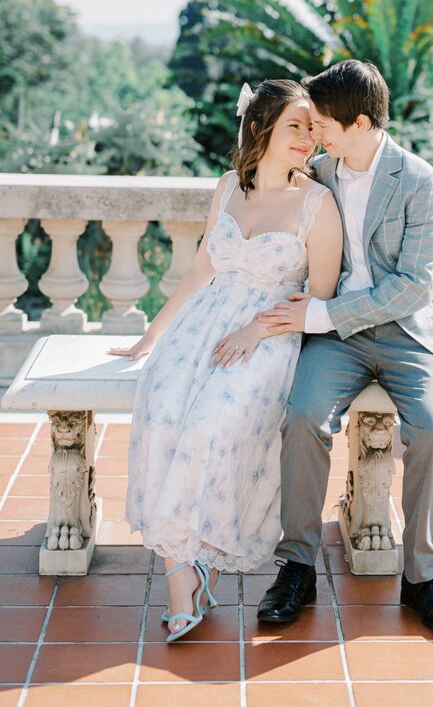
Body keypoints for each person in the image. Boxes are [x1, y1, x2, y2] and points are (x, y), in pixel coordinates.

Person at [108, 79, 343, 642]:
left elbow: (323, 296)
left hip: (272, 332)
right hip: (205, 324)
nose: (308, 138)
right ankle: (182, 571)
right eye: (296, 125)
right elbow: (200, 270)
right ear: (260, 127)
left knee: (211, 421)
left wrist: (255, 329)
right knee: (163, 409)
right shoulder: (226, 189)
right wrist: (151, 337)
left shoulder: (318, 203)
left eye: (313, 128)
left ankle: (188, 575)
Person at [256, 60, 433, 633]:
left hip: (409, 334)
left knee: (432, 430)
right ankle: (297, 565)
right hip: (335, 337)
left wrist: (323, 314)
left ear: (359, 122)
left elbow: (416, 286)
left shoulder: (422, 182)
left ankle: (422, 577)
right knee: (301, 416)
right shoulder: (319, 173)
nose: (314, 132)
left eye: (323, 122)